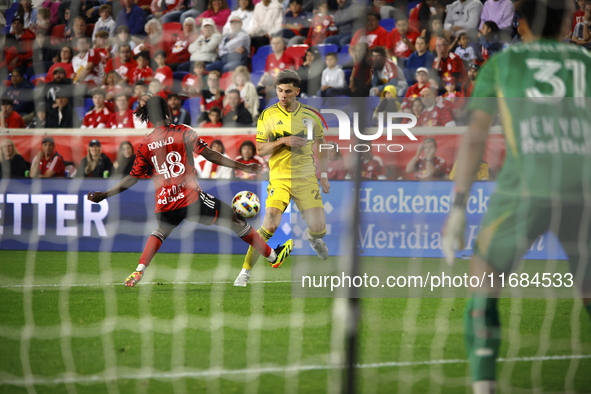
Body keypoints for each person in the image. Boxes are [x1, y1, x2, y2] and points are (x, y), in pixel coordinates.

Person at [441, 2, 591, 393]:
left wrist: (458, 206)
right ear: (564, 25)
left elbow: (475, 135)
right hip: (584, 190)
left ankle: (484, 385)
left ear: (520, 24)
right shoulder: (587, 62)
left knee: (484, 280)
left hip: (525, 188)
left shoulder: (502, 65)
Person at [87, 95, 293, 287]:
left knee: (160, 231)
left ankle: (138, 270)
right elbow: (209, 154)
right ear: (167, 111)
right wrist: (242, 166)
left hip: (164, 203)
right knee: (236, 221)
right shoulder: (182, 131)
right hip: (190, 197)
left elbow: (132, 177)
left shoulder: (145, 144)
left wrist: (104, 195)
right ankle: (273, 257)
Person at [234, 69, 330, 287]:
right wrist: (282, 141)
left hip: (306, 179)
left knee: (319, 228)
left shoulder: (311, 116)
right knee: (270, 223)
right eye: (279, 91)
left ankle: (314, 237)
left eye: (288, 91)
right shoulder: (268, 115)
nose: (283, 95)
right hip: (279, 178)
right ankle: (245, 272)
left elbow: (322, 146)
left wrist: (323, 176)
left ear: (297, 91)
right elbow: (260, 149)